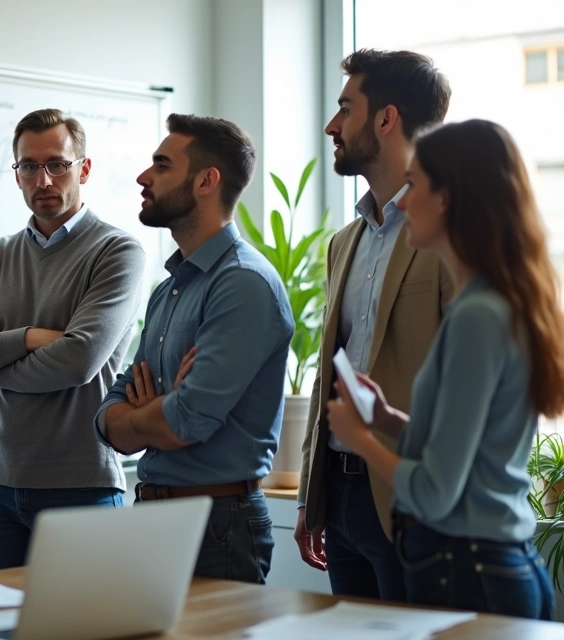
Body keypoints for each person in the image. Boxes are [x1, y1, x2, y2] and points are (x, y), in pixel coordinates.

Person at [327, 119, 563, 620]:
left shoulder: (479, 315)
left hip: (469, 572)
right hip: (488, 567)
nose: (404, 201)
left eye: (416, 185)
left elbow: (436, 491)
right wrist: (387, 420)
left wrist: (361, 441)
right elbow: (469, 454)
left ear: (448, 197)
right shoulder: (489, 303)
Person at [0, 108, 146, 572]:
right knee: (2, 629)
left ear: (83, 168)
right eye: (29, 166)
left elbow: (78, 360)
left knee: (80, 628)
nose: (43, 179)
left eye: (57, 164)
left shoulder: (117, 251)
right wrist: (28, 337)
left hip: (80, 482)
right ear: (17, 174)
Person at [97, 113, 292, 584]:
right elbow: (107, 417)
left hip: (216, 523)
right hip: (155, 516)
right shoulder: (171, 288)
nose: (144, 177)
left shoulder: (242, 283)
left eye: (162, 166)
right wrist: (158, 413)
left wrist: (154, 413)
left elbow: (189, 420)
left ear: (206, 180)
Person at [295, 49, 453, 601]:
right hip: (338, 495)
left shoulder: (452, 234)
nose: (330, 126)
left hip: (413, 497)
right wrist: (310, 498)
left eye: (345, 108)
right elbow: (328, 376)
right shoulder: (345, 241)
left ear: (386, 119)